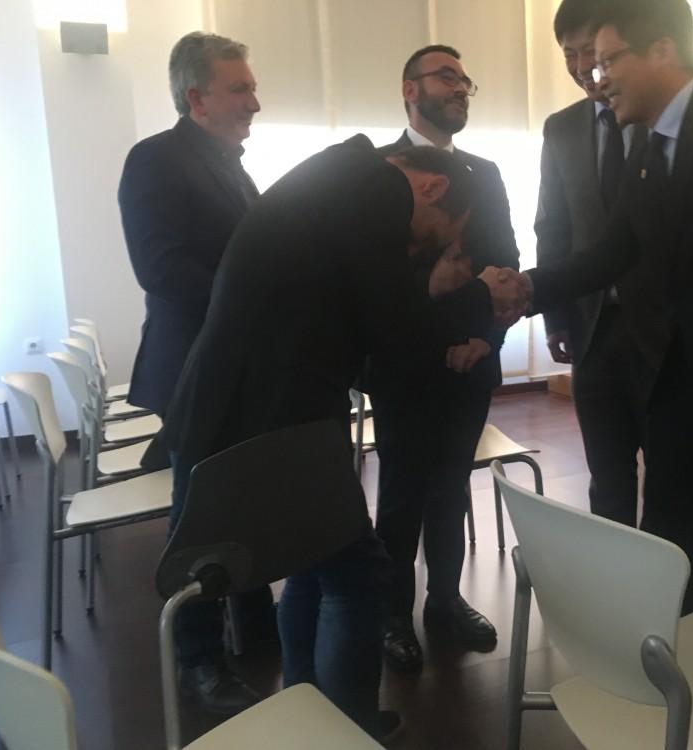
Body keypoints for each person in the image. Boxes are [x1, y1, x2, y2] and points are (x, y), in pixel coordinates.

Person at [158, 136, 523, 738]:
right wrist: (481, 293)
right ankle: (348, 727)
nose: (424, 248)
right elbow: (396, 334)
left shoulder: (342, 180)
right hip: (269, 416)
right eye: (439, 234)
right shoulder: (376, 189)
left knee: (312, 563)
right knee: (357, 575)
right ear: (431, 187)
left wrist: (438, 296)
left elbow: (360, 312)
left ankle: (313, 712)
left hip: (259, 408)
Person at [519, 0, 693, 645]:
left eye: (609, 60)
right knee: (669, 532)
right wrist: (526, 290)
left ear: (663, 51)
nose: (598, 77)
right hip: (673, 386)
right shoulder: (647, 150)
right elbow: (613, 251)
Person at [118, 31, 273, 717]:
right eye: (240, 89)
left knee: (245, 500)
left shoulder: (231, 166)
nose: (254, 103)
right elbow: (161, 269)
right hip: (195, 371)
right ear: (196, 98)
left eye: (252, 88)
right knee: (201, 518)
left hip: (239, 367)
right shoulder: (154, 159)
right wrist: (258, 298)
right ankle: (198, 658)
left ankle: (255, 622)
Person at [369, 45, 520, 673]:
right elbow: (375, 277)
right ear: (410, 89)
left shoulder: (486, 172)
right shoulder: (378, 171)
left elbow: (506, 263)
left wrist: (486, 338)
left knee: (453, 484)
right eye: (446, 76)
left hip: (472, 360)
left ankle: (446, 601)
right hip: (403, 364)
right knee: (402, 492)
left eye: (465, 80)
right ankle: (390, 614)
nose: (460, 88)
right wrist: (435, 327)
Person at [535, 0, 652, 528]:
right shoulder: (561, 128)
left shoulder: (660, 118)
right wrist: (555, 315)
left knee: (674, 483)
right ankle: (613, 574)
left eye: (591, 51)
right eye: (569, 54)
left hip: (664, 330)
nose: (582, 67)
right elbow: (552, 226)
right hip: (592, 328)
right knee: (607, 477)